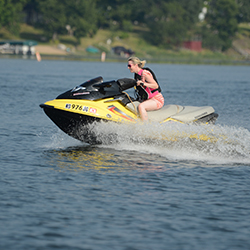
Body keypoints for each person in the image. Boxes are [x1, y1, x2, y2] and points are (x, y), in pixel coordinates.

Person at [127, 56, 164, 121]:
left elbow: (155, 86)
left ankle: (145, 127)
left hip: (156, 99)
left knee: (141, 106)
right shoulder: (137, 74)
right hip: (147, 99)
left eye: (129, 66)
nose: (128, 68)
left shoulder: (145, 73)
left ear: (136, 65)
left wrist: (143, 83)